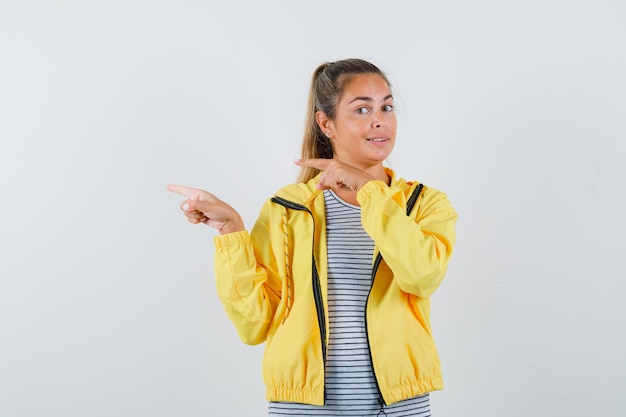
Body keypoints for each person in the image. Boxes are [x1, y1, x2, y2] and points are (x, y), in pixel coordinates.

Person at [168, 58, 457, 416]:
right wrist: (232, 231)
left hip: (399, 406)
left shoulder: (425, 204)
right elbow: (255, 324)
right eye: (362, 109)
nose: (379, 119)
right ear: (326, 123)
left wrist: (369, 191)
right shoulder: (287, 210)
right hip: (303, 408)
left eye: (387, 107)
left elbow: (422, 275)